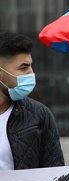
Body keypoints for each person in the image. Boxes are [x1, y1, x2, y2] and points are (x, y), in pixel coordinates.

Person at [0, 31, 64, 170]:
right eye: (23, 67)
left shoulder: (40, 115)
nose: (31, 73)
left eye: (30, 65)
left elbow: (55, 176)